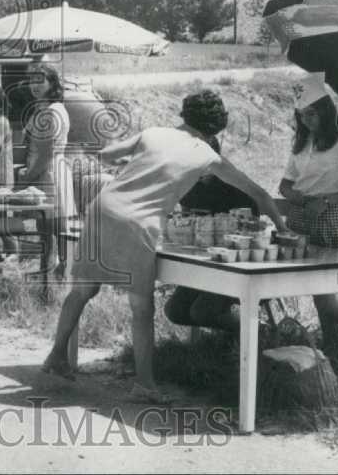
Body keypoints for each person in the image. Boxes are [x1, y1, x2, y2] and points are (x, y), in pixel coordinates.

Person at [42, 90, 289, 400]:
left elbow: (104, 155)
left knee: (82, 290)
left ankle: (57, 355)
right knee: (141, 308)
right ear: (216, 128)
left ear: (184, 116)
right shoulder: (207, 155)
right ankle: (144, 385)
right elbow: (259, 195)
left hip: (102, 207)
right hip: (138, 221)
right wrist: (281, 227)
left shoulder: (154, 133)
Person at [279, 73, 338, 357]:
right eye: (301, 116)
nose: (307, 121)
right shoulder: (302, 142)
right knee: (317, 294)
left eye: (311, 114)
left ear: (325, 111)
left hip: (326, 218)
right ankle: (332, 347)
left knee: (324, 291)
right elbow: (285, 183)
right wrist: (292, 195)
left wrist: (330, 200)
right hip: (298, 218)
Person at [163, 93, 252, 334]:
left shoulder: (233, 187)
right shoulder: (188, 186)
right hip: (202, 263)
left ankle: (255, 335)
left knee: (202, 311)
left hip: (233, 266)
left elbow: (251, 226)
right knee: (174, 311)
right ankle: (224, 341)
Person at [18, 63, 77, 265]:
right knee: (46, 229)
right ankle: (50, 276)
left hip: (48, 171)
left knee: (54, 227)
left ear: (52, 83)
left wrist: (28, 177)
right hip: (44, 169)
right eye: (31, 80)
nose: (34, 85)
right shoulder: (41, 109)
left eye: (39, 80)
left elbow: (46, 153)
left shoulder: (51, 111)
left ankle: (57, 277)